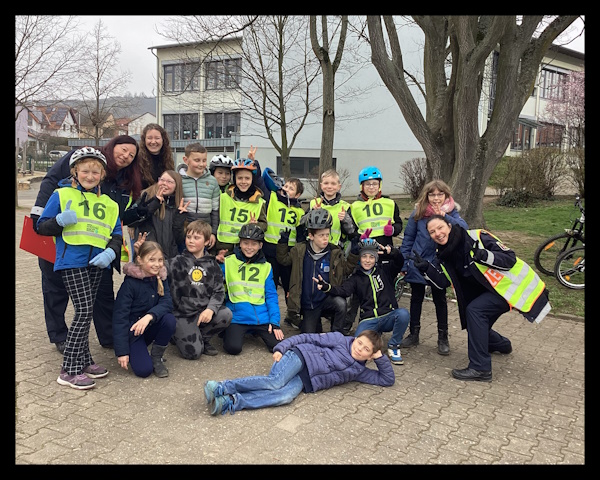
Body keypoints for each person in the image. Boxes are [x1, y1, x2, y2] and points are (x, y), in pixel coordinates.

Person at [30, 135, 142, 353]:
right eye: (123, 149)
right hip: (65, 247)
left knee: (102, 293)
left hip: (97, 250)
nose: (126, 156)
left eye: (131, 155)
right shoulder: (82, 157)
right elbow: (51, 180)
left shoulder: (124, 180)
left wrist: (113, 249)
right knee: (55, 289)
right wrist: (41, 216)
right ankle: (62, 338)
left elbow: (116, 219)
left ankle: (108, 337)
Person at [415, 215, 551, 382]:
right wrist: (426, 268)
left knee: (475, 311)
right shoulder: (443, 255)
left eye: (440, 227)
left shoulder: (477, 237)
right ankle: (501, 345)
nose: (438, 233)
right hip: (489, 292)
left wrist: (484, 255)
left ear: (449, 226)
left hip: (509, 289)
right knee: (476, 321)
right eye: (432, 232)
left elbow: (509, 258)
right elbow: (444, 282)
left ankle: (480, 368)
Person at [36, 147, 122, 390]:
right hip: (71, 260)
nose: (90, 176)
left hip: (97, 262)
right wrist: (59, 221)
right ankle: (69, 369)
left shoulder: (108, 202)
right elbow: (41, 226)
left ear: (103, 174)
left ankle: (84, 360)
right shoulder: (61, 195)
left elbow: (115, 233)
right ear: (75, 171)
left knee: (88, 309)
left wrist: (111, 252)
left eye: (96, 172)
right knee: (84, 311)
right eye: (85, 171)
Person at [204, 329, 394, 416]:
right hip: (300, 357)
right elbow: (307, 337)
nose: (359, 348)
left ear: (370, 356)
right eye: (359, 342)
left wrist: (380, 357)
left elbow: (386, 379)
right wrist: (281, 347)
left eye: (366, 350)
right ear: (355, 339)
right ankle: (221, 387)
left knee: (284, 397)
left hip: (307, 381)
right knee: (275, 382)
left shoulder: (358, 371)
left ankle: (231, 402)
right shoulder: (339, 339)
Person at [313, 238, 410, 365]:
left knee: (403, 314)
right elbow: (343, 290)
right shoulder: (356, 278)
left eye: (371, 257)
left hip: (388, 315)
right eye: (364, 256)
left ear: (376, 258)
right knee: (357, 345)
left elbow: (399, 262)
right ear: (360, 258)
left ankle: (394, 345)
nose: (367, 260)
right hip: (368, 320)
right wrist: (326, 287)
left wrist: (393, 252)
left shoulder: (385, 271)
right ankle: (374, 336)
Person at [399, 180, 468, 355]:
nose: (436, 198)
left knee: (440, 299)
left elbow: (464, 229)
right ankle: (414, 333)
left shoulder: (451, 211)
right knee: (416, 297)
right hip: (419, 259)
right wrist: (405, 262)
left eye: (439, 194)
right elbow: (408, 237)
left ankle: (443, 337)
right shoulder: (419, 211)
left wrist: (445, 216)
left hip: (440, 262)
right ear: (427, 196)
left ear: (446, 195)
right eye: (432, 194)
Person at [276, 209, 357, 334]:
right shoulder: (300, 250)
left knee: (341, 304)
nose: (325, 239)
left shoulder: (334, 252)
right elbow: (283, 260)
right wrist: (282, 243)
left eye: (327, 234)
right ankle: (311, 322)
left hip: (325, 299)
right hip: (309, 305)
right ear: (311, 236)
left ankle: (337, 335)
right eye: (321, 235)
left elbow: (346, 270)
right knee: (310, 336)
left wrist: (354, 254)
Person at [165, 220, 232, 359]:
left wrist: (210, 309)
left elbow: (219, 291)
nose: (191, 241)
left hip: (202, 313)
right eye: (189, 237)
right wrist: (141, 253)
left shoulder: (213, 265)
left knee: (226, 314)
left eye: (196, 238)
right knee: (194, 353)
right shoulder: (176, 262)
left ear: (207, 241)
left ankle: (202, 338)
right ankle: (176, 334)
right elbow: (155, 268)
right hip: (182, 315)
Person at [348, 166, 403, 331]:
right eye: (367, 184)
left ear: (379, 185)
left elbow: (398, 223)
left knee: (385, 287)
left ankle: (388, 319)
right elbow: (350, 231)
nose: (371, 187)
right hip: (364, 251)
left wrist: (392, 230)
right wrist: (358, 239)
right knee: (359, 289)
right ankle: (348, 323)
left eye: (374, 184)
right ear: (361, 186)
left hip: (384, 252)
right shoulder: (355, 206)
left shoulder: (390, 203)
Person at [113, 241, 176, 378]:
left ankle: (156, 357)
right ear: (140, 260)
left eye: (160, 260)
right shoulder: (130, 284)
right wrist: (122, 351)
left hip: (149, 326)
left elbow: (167, 302)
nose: (157, 264)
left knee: (169, 319)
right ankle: (135, 351)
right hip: (133, 333)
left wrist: (149, 316)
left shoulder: (161, 277)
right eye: (151, 260)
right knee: (144, 371)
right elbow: (119, 317)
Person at [221, 223, 284, 355]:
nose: (249, 247)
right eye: (245, 243)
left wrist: (275, 322)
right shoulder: (228, 262)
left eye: (254, 244)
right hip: (238, 317)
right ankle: (231, 332)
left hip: (261, 317)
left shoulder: (266, 267)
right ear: (240, 243)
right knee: (233, 348)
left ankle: (253, 330)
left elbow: (271, 296)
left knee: (278, 346)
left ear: (260, 245)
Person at [123, 170, 189, 260]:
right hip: (147, 256)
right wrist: (153, 205)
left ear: (176, 186)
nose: (164, 184)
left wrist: (179, 219)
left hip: (169, 258)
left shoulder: (178, 205)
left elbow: (178, 239)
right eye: (162, 180)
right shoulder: (146, 196)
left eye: (169, 182)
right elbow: (129, 221)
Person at [260, 167, 305, 298]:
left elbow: (301, 235)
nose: (286, 189)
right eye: (285, 186)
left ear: (297, 195)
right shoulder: (272, 198)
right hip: (270, 249)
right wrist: (254, 162)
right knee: (270, 284)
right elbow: (260, 183)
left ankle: (291, 314)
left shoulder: (300, 212)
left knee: (289, 285)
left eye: (291, 188)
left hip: (288, 253)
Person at [214, 158, 268, 258]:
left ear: (252, 180)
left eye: (247, 178)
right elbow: (215, 219)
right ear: (234, 179)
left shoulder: (259, 202)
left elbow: (264, 225)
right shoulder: (223, 197)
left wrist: (256, 225)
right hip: (224, 247)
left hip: (245, 249)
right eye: (240, 178)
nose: (243, 182)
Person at [178, 143, 221, 251]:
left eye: (204, 160)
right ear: (186, 160)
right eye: (197, 160)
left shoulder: (212, 181)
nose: (201, 164)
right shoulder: (178, 180)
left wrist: (213, 232)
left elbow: (215, 210)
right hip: (185, 231)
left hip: (204, 232)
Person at [309, 169, 355, 251]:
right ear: (321, 185)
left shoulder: (345, 207)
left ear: (339, 187)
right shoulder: (314, 203)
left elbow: (351, 232)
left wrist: (345, 220)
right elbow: (303, 225)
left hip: (335, 249)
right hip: (314, 247)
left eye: (333, 184)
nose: (329, 186)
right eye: (326, 183)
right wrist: (312, 212)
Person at [137, 123, 175, 189]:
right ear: (144, 140)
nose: (153, 142)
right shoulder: (137, 160)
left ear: (163, 140)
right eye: (149, 138)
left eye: (157, 138)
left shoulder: (168, 160)